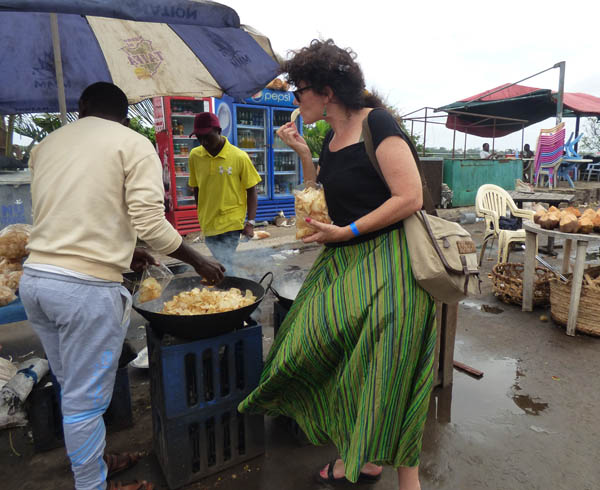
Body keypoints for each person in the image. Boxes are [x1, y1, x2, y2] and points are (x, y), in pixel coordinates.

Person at [238, 39, 436, 490]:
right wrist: (304, 156)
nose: (294, 100)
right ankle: (361, 457)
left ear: (326, 91)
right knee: (323, 354)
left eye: (298, 90)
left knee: (388, 371)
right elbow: (323, 198)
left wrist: (347, 233)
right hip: (343, 265)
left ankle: (401, 475)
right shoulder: (329, 137)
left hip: (391, 267)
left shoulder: (378, 124)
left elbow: (411, 197)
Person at [19, 82, 225, 490]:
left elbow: (71, 212)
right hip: (83, 292)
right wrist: (198, 259)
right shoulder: (133, 143)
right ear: (127, 114)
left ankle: (92, 464)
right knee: (84, 403)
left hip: (38, 280)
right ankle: (92, 484)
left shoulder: (46, 145)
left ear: (81, 107)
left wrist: (124, 250)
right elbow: (150, 223)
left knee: (72, 388)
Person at [187, 112, 261, 273]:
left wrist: (251, 222)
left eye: (207, 136)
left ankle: (231, 290)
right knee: (222, 262)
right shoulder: (195, 155)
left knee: (225, 261)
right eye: (199, 138)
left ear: (219, 131)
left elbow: (252, 190)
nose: (204, 142)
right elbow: (196, 187)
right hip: (208, 222)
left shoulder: (239, 157)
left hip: (231, 221)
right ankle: (231, 289)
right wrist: (200, 214)